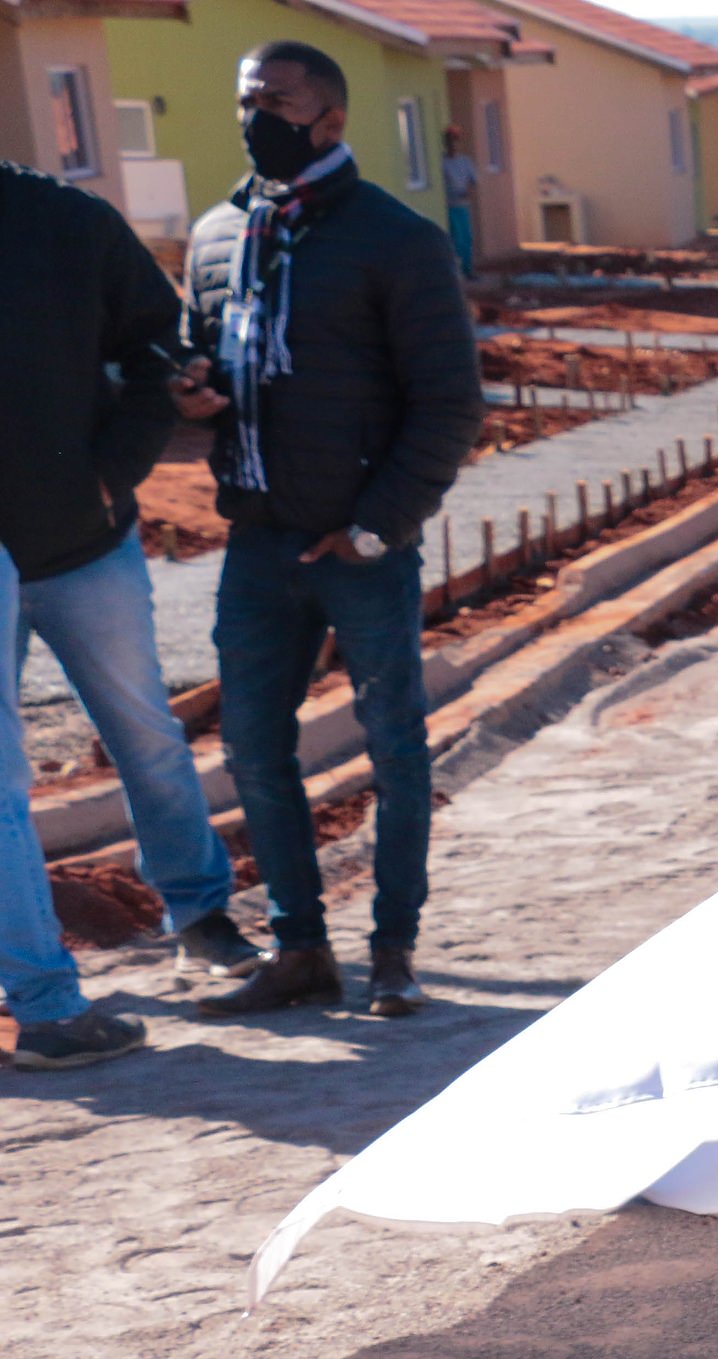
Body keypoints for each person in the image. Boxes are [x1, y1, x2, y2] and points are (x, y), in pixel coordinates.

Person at [170, 42, 482, 1021]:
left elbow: (449, 403)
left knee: (394, 748)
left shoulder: (397, 239)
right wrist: (194, 393)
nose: (253, 117)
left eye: (276, 101)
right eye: (246, 99)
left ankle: (393, 951)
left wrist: (377, 526)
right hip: (259, 542)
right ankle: (300, 949)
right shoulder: (217, 234)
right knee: (254, 753)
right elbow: (199, 358)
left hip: (359, 546)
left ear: (331, 119)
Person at [0, 161, 262, 1070]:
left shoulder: (64, 222)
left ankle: (200, 917)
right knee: (1, 788)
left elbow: (162, 347)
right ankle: (44, 1003)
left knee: (145, 734)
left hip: (84, 542)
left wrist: (111, 473)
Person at [439, 126, 478, 279]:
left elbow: (473, 182)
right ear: (445, 143)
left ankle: (467, 270)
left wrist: (467, 192)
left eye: (455, 140)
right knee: (455, 239)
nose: (453, 144)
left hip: (463, 205)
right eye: (450, 141)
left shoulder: (465, 162)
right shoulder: (442, 163)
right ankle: (456, 272)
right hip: (449, 206)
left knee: (466, 239)